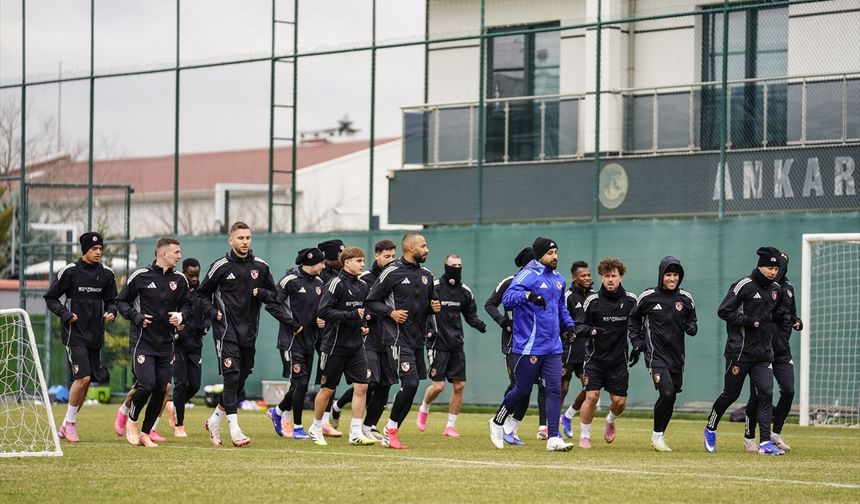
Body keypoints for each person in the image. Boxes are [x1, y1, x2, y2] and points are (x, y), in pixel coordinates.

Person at [488, 237, 575, 452]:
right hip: (529, 346)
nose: (555, 256)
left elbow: (560, 307)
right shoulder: (528, 275)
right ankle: (497, 422)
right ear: (539, 255)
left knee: (554, 390)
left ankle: (553, 438)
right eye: (550, 253)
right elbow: (508, 298)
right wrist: (528, 295)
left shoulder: (559, 279)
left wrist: (569, 325)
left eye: (556, 252)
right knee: (522, 389)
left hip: (553, 347)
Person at [197, 221, 279, 448]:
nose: (245, 242)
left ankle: (214, 420)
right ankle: (235, 429)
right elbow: (201, 295)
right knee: (231, 377)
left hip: (249, 333)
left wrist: (261, 292)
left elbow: (276, 295)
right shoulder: (220, 266)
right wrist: (214, 313)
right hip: (226, 332)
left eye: (248, 238)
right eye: (240, 238)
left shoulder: (261, 267)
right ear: (230, 240)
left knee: (240, 380)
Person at [705, 246, 786, 456]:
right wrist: (750, 322)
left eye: (776, 268)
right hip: (739, 352)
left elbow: (775, 316)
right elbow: (724, 311)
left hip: (763, 354)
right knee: (730, 394)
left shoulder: (776, 289)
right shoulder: (744, 285)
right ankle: (710, 428)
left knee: (765, 394)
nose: (773, 272)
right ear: (760, 266)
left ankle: (765, 442)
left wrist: (791, 320)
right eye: (769, 267)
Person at [365, 232, 441, 449]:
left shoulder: (426, 274)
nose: (427, 250)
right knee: (410, 383)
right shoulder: (392, 272)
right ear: (410, 248)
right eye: (423, 246)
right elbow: (371, 301)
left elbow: (428, 304)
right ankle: (390, 431)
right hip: (397, 338)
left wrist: (434, 307)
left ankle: (392, 430)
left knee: (413, 386)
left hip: (417, 340)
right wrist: (390, 312)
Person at [116, 237, 191, 447]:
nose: (179, 255)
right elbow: (121, 302)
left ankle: (145, 432)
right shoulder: (140, 276)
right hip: (143, 341)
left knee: (161, 388)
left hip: (166, 343)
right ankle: (132, 420)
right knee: (146, 385)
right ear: (162, 254)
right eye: (176, 252)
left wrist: (181, 316)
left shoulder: (181, 280)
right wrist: (137, 317)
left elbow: (188, 305)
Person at [44, 231, 117, 443]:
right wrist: (66, 315)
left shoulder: (107, 274)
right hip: (74, 334)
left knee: (87, 382)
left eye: (101, 249)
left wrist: (112, 312)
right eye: (94, 249)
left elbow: (112, 301)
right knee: (82, 377)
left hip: (95, 335)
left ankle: (67, 424)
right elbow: (50, 298)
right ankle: (71, 424)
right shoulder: (70, 272)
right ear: (85, 249)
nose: (98, 252)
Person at [308, 247, 377, 446]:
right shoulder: (335, 284)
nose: (362, 264)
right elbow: (323, 312)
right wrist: (350, 316)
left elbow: (362, 313)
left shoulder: (363, 286)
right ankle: (316, 426)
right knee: (328, 390)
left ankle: (355, 432)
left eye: (363, 260)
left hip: (355, 346)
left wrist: (363, 325)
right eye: (358, 260)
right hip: (334, 346)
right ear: (347, 262)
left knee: (362, 386)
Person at [627, 256, 697, 452]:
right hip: (655, 356)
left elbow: (692, 320)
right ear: (661, 276)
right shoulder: (648, 297)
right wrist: (637, 343)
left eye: (675, 275)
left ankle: (660, 435)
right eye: (668, 274)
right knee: (666, 392)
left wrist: (691, 326)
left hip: (677, 357)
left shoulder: (686, 298)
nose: (672, 278)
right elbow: (633, 321)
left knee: (672, 396)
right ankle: (657, 436)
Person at [417, 254, 487, 437]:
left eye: (459, 265)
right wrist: (426, 331)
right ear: (446, 266)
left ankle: (450, 426)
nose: (456, 268)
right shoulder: (435, 288)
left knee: (459, 386)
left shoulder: (464, 291)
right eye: (453, 265)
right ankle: (424, 407)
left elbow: (470, 315)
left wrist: (479, 325)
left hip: (456, 344)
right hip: (437, 342)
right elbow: (421, 310)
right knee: (438, 386)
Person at [575, 257, 637, 449]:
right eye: (607, 276)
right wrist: (593, 331)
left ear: (620, 277)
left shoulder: (631, 301)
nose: (611, 279)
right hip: (595, 359)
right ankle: (584, 436)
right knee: (591, 396)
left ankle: (610, 420)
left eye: (614, 276)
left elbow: (638, 326)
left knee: (619, 402)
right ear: (601, 278)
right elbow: (578, 326)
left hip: (618, 361)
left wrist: (638, 345)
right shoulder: (592, 301)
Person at [743, 251, 802, 452]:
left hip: (782, 350)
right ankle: (749, 436)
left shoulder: (788, 288)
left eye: (780, 266)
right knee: (758, 396)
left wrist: (796, 321)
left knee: (789, 390)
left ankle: (776, 433)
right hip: (762, 351)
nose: (777, 270)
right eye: (774, 266)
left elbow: (792, 314)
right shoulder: (760, 288)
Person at [484, 247, 543, 445]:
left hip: (536, 343)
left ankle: (512, 428)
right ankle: (500, 422)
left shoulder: (542, 282)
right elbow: (489, 304)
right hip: (512, 344)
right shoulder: (510, 282)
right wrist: (503, 321)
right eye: (534, 261)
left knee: (529, 386)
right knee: (518, 383)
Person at [265, 247, 326, 440]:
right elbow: (272, 305)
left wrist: (321, 320)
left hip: (310, 341)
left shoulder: (319, 282)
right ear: (310, 263)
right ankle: (298, 427)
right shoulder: (289, 281)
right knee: (300, 384)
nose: (324, 266)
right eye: (321, 262)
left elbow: (320, 309)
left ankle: (278, 411)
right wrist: (292, 323)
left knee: (302, 385)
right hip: (290, 342)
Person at [167, 258, 209, 437]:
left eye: (196, 275)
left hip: (195, 344)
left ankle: (173, 405)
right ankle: (179, 425)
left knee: (195, 385)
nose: (194, 278)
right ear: (184, 273)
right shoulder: (177, 289)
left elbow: (208, 310)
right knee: (181, 383)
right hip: (178, 344)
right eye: (190, 275)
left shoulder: (202, 291)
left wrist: (206, 326)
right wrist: (177, 328)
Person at [314, 238, 346, 436]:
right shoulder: (319, 275)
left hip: (333, 333)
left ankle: (324, 421)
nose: (341, 258)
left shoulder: (339, 274)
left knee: (328, 380)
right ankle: (282, 412)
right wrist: (316, 319)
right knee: (303, 381)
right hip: (315, 335)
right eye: (338, 255)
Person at [560, 260, 596, 438]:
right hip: (568, 350)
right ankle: (550, 426)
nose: (587, 278)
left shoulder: (595, 296)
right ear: (574, 277)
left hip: (588, 350)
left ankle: (567, 416)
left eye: (589, 275)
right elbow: (560, 319)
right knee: (562, 388)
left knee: (589, 388)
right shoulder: (567, 296)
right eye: (583, 276)